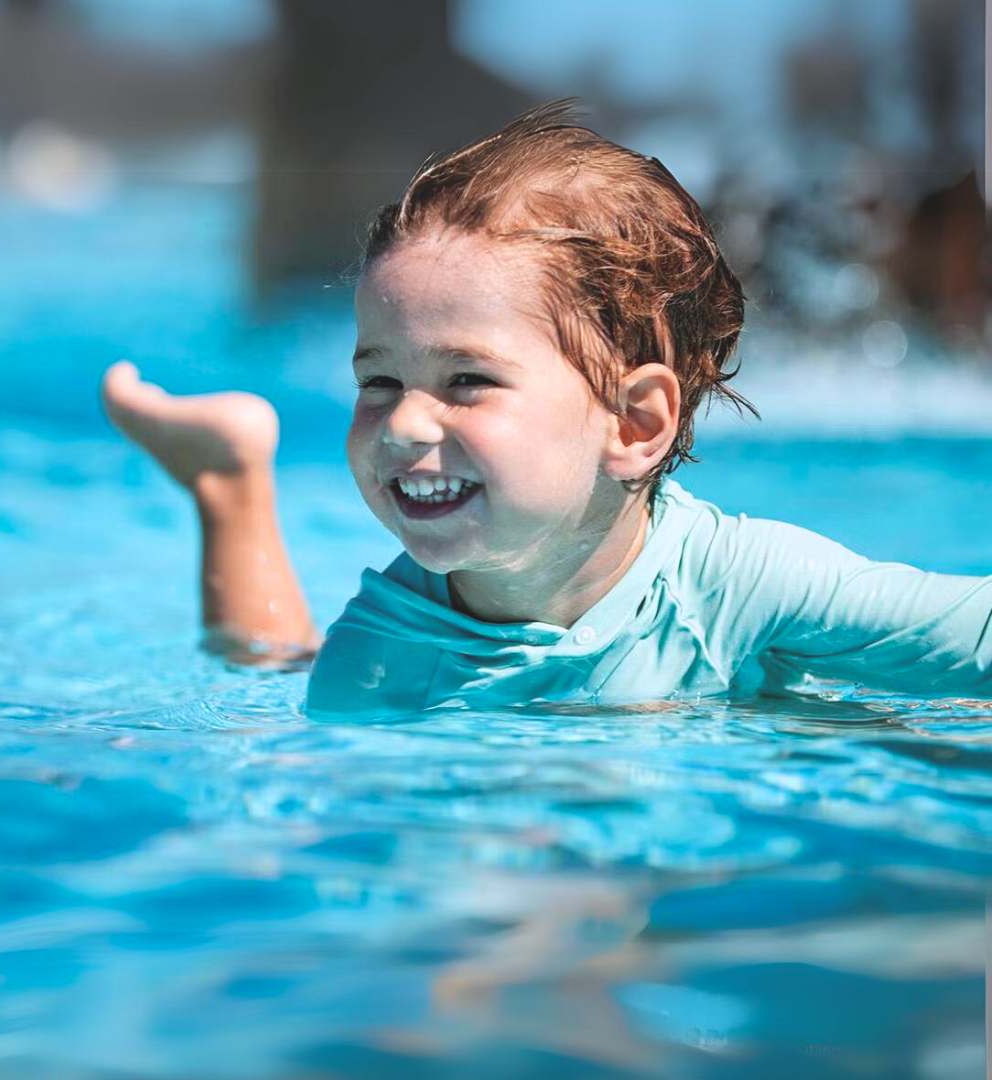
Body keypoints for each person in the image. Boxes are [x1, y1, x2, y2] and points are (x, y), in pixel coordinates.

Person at [101, 102, 991, 717]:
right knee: (271, 679)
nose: (404, 424)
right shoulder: (382, 658)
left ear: (634, 424)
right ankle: (230, 486)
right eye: (379, 381)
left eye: (466, 382)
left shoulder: (734, 584)